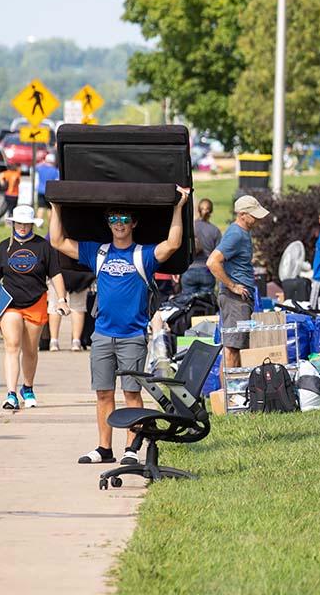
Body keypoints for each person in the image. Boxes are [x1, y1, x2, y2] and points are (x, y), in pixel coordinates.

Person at [48, 185, 190, 465]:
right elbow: (58, 241)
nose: (119, 224)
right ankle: (104, 448)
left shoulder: (143, 255)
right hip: (101, 335)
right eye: (114, 219)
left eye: (125, 219)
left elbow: (173, 244)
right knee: (103, 394)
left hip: (133, 337)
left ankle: (130, 449)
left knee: (132, 394)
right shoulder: (97, 253)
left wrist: (178, 207)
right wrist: (56, 207)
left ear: (134, 223)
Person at [0, 205, 69, 410]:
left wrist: (62, 299)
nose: (22, 227)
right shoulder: (5, 246)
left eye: (26, 223)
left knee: (30, 349)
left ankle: (28, 388)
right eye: (19, 223)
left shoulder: (43, 246)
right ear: (13, 223)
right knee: (12, 346)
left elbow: (56, 274)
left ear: (33, 224)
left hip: (36, 301)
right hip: (10, 304)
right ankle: (11, 393)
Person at [209, 195, 271, 371]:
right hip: (234, 299)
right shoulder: (236, 234)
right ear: (242, 214)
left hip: (240, 299)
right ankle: (229, 396)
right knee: (232, 349)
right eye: (254, 215)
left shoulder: (243, 233)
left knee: (235, 348)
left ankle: (227, 396)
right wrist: (233, 286)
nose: (258, 219)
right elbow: (212, 262)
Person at [47, 250, 95, 351]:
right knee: (78, 307)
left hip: (59, 267)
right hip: (80, 270)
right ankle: (76, 341)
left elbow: (49, 241)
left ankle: (54, 341)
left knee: (55, 304)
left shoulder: (57, 235)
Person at [181, 198, 221, 298]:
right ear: (211, 211)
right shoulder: (215, 230)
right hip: (207, 271)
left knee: (187, 304)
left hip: (189, 270)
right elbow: (219, 255)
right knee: (206, 305)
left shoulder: (189, 227)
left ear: (198, 210)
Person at [35, 153, 59, 218]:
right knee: (50, 208)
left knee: (40, 207)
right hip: (50, 191)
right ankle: (50, 224)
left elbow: (34, 167)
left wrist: (42, 163)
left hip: (40, 190)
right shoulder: (55, 170)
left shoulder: (40, 168)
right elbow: (57, 180)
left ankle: (39, 225)